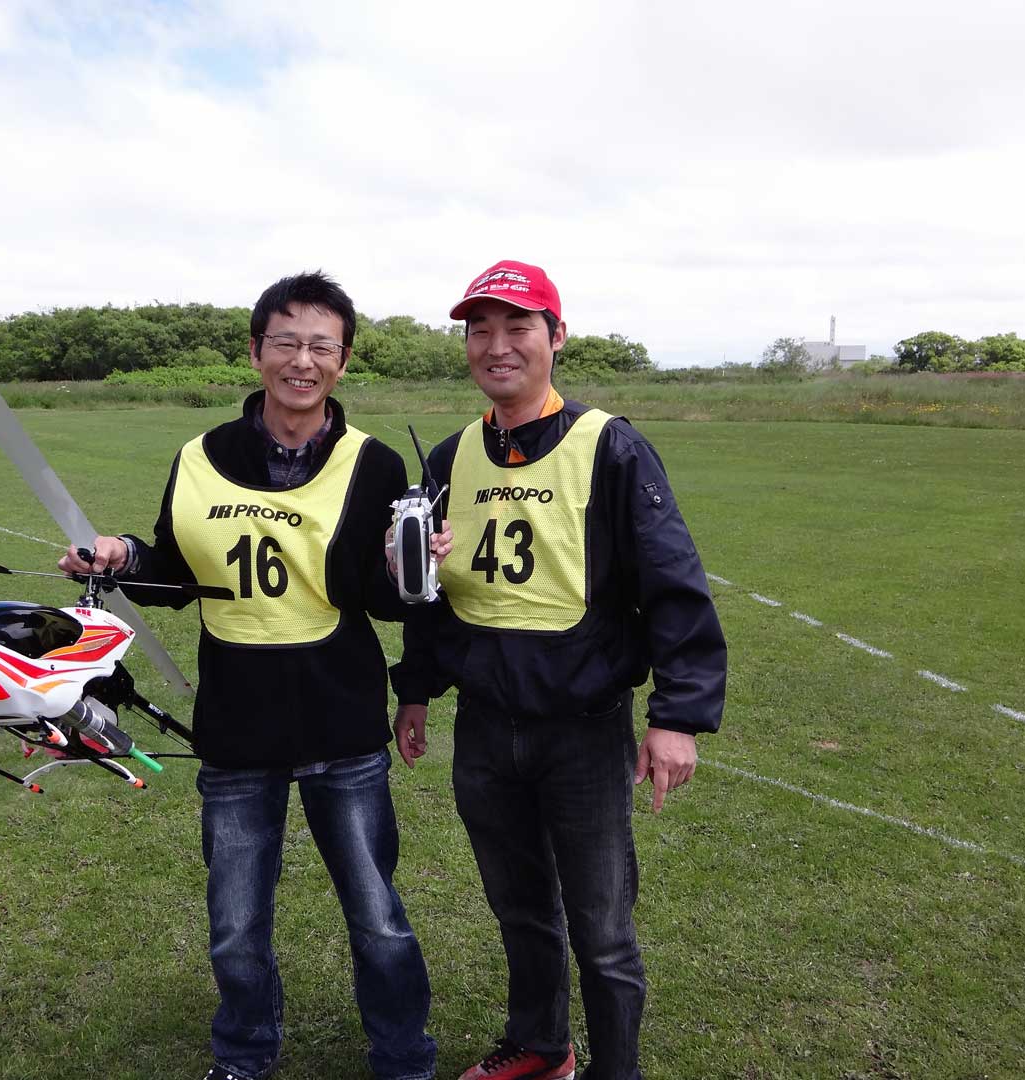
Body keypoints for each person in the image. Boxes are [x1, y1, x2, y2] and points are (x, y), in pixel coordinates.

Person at [61, 272, 446, 1080]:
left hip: (342, 727)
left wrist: (407, 567)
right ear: (256, 350)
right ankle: (243, 1053)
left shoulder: (373, 463)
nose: (303, 361)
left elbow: (383, 601)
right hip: (236, 728)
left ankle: (404, 1056)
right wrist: (122, 556)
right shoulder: (200, 457)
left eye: (322, 347)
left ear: (343, 360)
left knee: (377, 917)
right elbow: (176, 574)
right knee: (236, 926)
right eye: (287, 343)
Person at [391, 261, 726, 1080]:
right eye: (480, 330)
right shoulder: (451, 455)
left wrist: (678, 715)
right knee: (520, 908)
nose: (496, 346)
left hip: (583, 731)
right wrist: (416, 690)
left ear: (557, 337)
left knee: (602, 929)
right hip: (485, 728)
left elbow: (673, 583)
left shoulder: (609, 447)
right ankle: (543, 1048)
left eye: (518, 327)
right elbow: (430, 590)